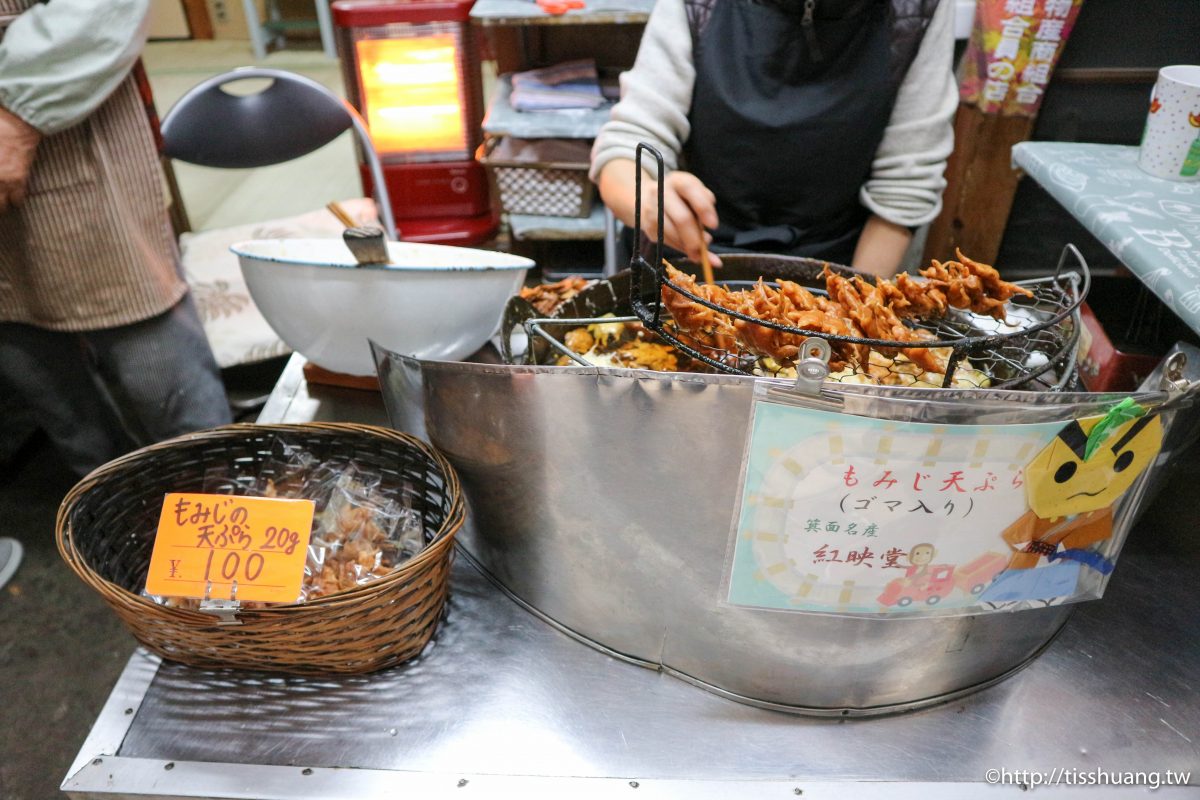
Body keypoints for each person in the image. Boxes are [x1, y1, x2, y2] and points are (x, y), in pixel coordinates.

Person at [0, 0, 232, 489]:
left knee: (153, 358)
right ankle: (114, 520)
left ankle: (222, 511)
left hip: (54, 107)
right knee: (36, 371)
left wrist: (15, 116)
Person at [591, 0, 958, 278]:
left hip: (832, 269)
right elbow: (626, 147)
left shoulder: (917, 10)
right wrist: (650, 199)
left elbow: (905, 184)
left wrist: (852, 317)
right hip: (690, 258)